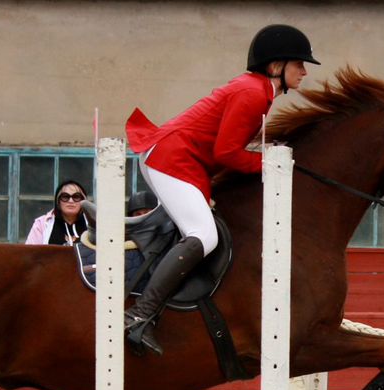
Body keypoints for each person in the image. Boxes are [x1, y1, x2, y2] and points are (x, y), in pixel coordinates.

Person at [124, 24, 319, 355]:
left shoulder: (260, 91)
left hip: (184, 161)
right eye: (298, 64)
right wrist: (272, 166)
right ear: (275, 67)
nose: (303, 71)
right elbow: (226, 154)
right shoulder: (253, 93)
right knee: (205, 235)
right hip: (172, 159)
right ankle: (139, 316)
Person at [25, 179, 89, 246]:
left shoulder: (94, 224)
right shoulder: (42, 224)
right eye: (65, 197)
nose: (71, 201)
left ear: (83, 201)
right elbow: (30, 253)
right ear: (58, 201)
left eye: (76, 197)